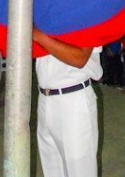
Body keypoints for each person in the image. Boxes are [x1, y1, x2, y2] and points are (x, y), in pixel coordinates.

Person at [33, 28, 103, 177]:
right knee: (52, 169)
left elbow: (80, 58)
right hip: (45, 98)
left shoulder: (86, 16)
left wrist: (38, 36)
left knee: (80, 170)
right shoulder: (45, 15)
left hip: (73, 100)